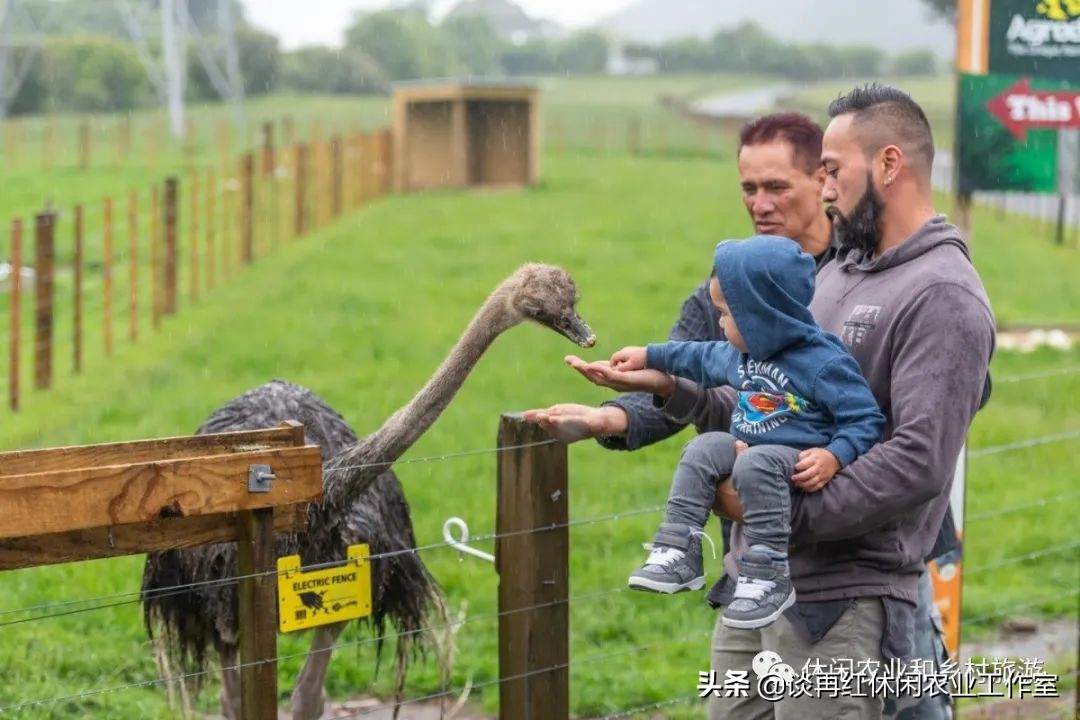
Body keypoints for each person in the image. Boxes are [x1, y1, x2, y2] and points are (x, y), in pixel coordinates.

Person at [523, 102, 989, 719]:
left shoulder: (943, 294)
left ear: (889, 163)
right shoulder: (836, 275)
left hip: (841, 601)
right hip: (755, 587)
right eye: (752, 187)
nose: (824, 190)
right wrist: (666, 390)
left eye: (830, 171)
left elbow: (918, 462)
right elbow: (766, 403)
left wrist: (770, 507)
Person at [613, 236, 885, 635]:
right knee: (702, 448)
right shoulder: (744, 353)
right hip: (748, 449)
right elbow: (697, 355)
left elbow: (865, 419)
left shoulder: (823, 362)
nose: (719, 322)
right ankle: (679, 548)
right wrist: (648, 355)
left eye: (726, 313)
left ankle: (768, 573)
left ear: (762, 313)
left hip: (793, 460)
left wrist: (834, 456)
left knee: (756, 460)